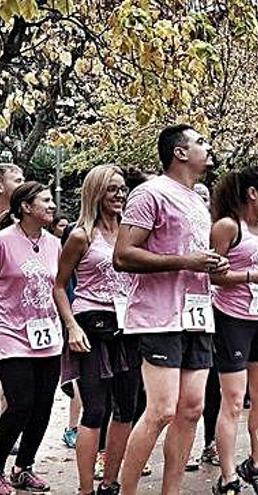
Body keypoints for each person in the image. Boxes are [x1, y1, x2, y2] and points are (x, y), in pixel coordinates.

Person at [113, 124, 229, 495]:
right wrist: (185, 261)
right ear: (179, 152)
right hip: (158, 316)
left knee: (191, 409)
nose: (208, 147)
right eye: (200, 142)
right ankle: (123, 489)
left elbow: (194, 258)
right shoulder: (150, 193)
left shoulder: (198, 199)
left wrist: (212, 266)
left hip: (198, 315)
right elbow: (123, 255)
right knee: (161, 410)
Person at [52, 166, 140, 495]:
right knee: (95, 410)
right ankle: (85, 488)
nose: (119, 195)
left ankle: (110, 482)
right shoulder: (81, 235)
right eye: (111, 189)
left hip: (127, 326)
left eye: (122, 189)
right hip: (91, 324)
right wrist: (72, 327)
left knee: (128, 407)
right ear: (96, 193)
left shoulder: (132, 234)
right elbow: (60, 286)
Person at [209, 166, 258, 494]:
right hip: (231, 320)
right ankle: (227, 476)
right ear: (252, 193)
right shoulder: (228, 226)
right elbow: (212, 275)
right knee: (234, 400)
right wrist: (251, 277)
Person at [0, 181, 61, 493]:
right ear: (25, 206)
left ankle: (24, 467)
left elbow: (58, 288)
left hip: (47, 336)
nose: (52, 205)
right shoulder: (3, 241)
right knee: (20, 404)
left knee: (43, 406)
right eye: (45, 200)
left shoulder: (54, 243)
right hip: (9, 333)